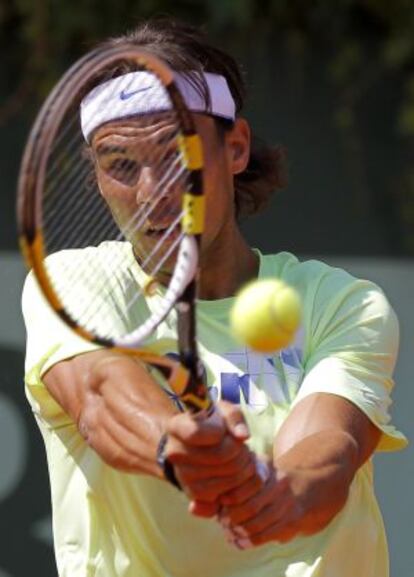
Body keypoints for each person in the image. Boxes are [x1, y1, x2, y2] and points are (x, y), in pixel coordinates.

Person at [22, 17, 407, 577]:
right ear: (98, 178)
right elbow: (100, 401)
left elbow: (331, 443)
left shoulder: (341, 302)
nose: (153, 193)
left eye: (177, 153)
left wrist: (278, 495)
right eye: (121, 165)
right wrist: (173, 446)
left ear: (236, 148)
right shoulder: (74, 283)